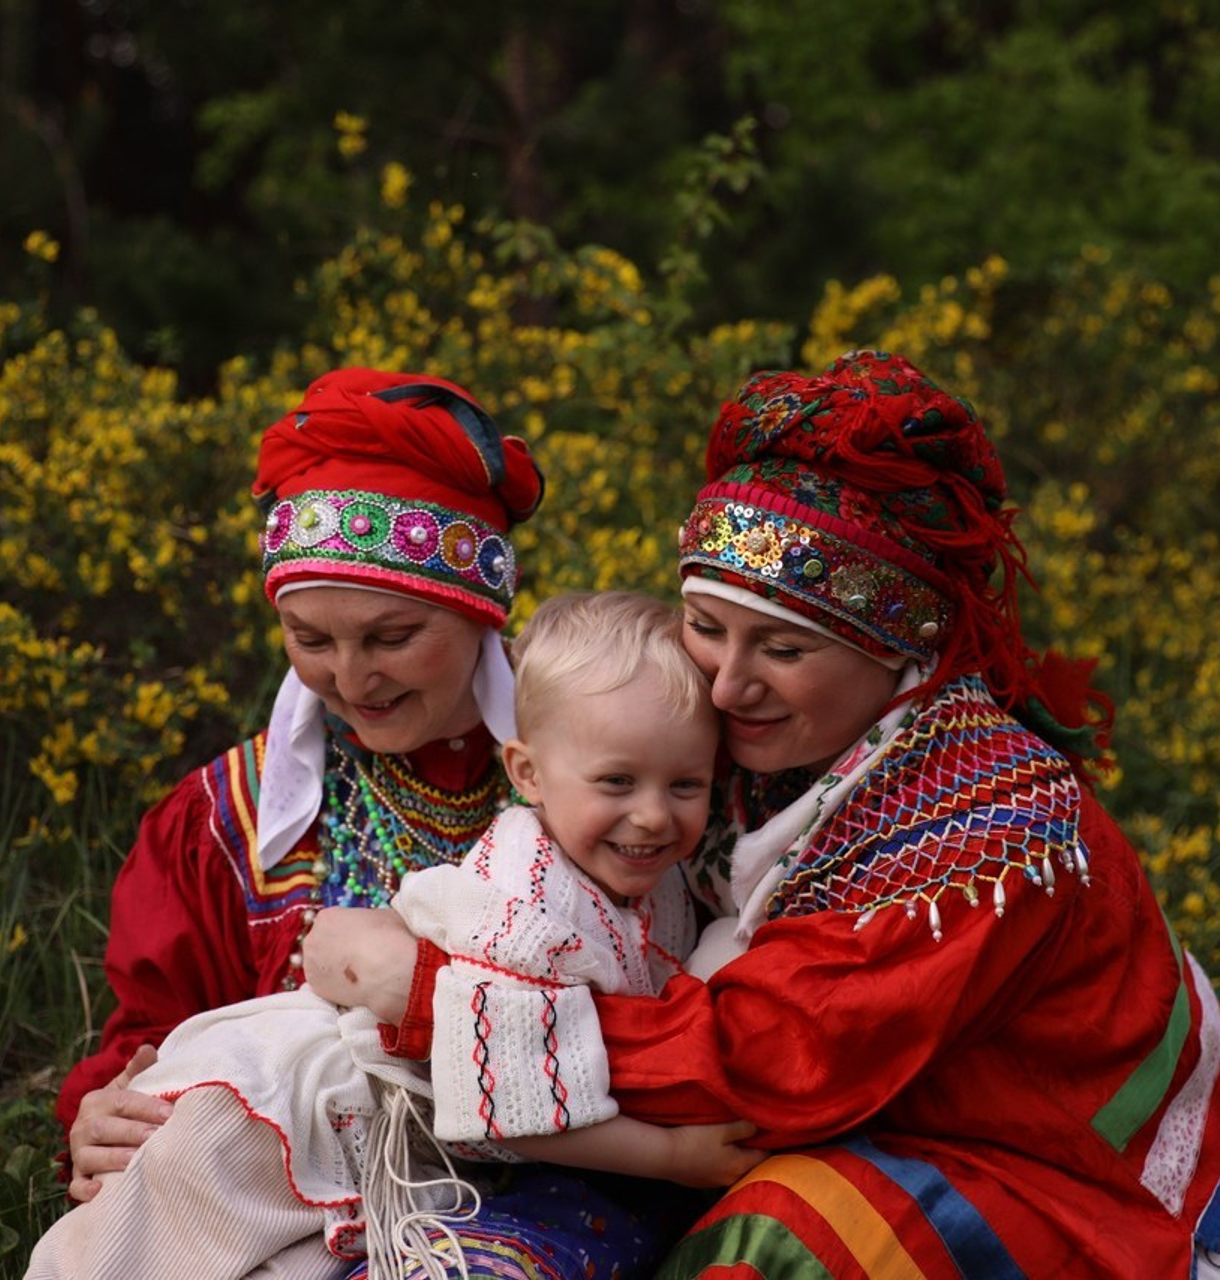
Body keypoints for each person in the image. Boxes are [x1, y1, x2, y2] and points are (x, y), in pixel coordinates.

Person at [308, 350, 1220, 1277]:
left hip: (1063, 1180)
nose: (727, 684)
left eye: (782, 649)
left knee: (780, 1239)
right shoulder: (763, 748)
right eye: (706, 627)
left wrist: (430, 1000)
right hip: (875, 1125)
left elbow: (773, 1061)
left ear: (894, 648)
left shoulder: (985, 827)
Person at [53, 371, 718, 1278]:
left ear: (480, 613)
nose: (352, 677)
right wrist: (102, 1113)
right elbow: (153, 1030)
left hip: (570, 1195)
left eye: (391, 637)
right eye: (310, 639)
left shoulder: (622, 761)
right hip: (294, 1199)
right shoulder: (224, 820)